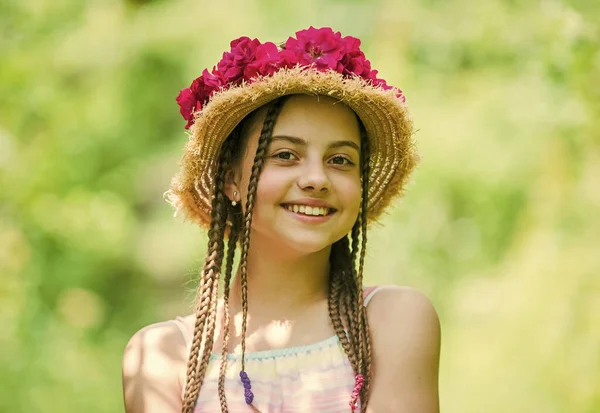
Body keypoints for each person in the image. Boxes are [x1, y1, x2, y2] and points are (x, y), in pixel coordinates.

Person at [122, 27, 440, 413]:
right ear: (230, 180)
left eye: (340, 160)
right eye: (285, 155)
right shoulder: (162, 356)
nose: (316, 179)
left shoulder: (394, 320)